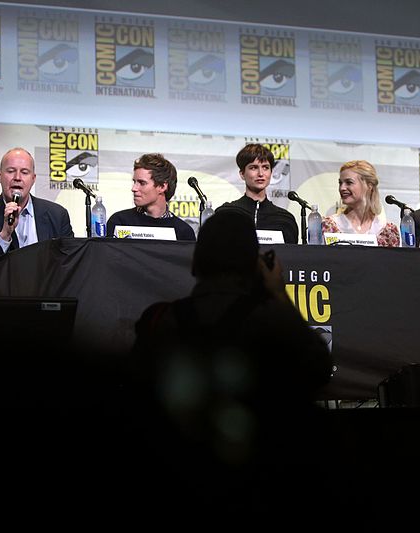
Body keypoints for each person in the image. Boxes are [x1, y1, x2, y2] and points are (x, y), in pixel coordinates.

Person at [131, 210, 333, 518]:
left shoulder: (160, 319)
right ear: (253, 264)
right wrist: (278, 294)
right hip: (262, 487)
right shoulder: (271, 318)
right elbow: (319, 369)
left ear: (197, 260)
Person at [0, 147, 74, 275]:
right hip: (2, 293)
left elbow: (70, 266)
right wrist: (5, 235)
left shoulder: (57, 215)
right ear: (0, 176)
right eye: (11, 171)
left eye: (24, 172)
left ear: (33, 179)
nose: (17, 177)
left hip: (46, 292)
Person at [216, 143, 298, 244]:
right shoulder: (225, 214)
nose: (260, 173)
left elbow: (292, 257)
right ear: (242, 174)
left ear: (271, 173)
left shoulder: (285, 220)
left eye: (265, 167)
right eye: (254, 167)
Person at [107, 153, 196, 241]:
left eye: (142, 183)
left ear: (162, 187)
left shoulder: (183, 232)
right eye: (134, 182)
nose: (134, 188)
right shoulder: (119, 222)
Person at [321, 160, 400, 247]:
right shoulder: (329, 226)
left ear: (369, 186)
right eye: (340, 183)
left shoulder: (388, 232)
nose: (342, 188)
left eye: (349, 182)